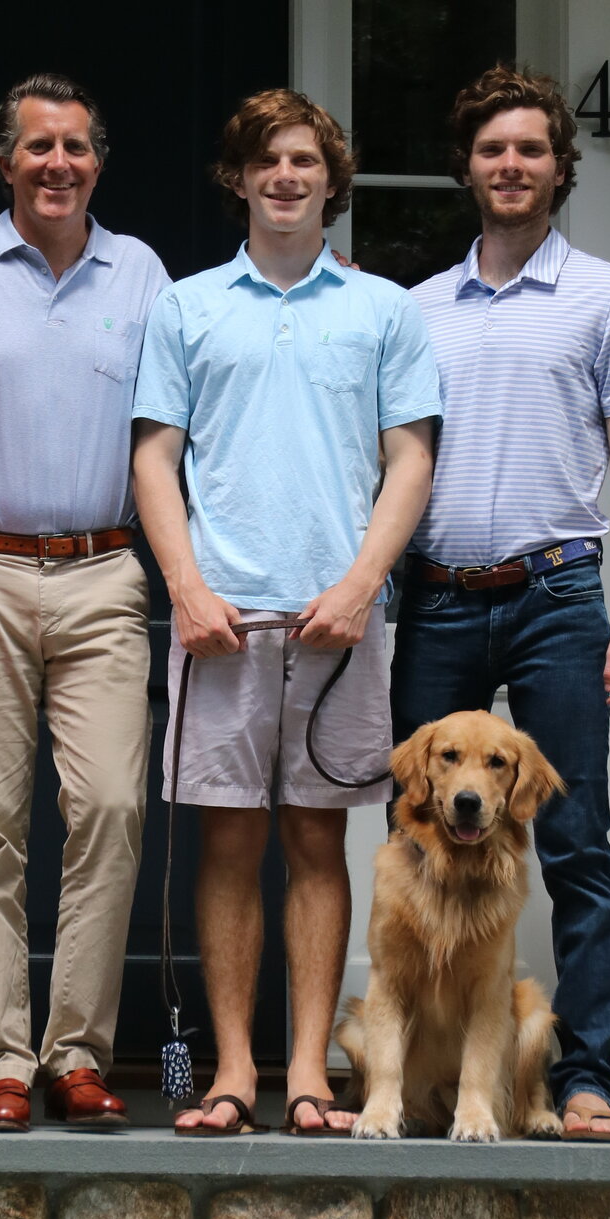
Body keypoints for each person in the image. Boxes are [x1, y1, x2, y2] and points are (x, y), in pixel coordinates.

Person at [132, 89, 441, 1137]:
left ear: (330, 179)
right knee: (224, 848)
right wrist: (185, 587)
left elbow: (412, 459)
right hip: (222, 618)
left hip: (340, 622)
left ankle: (309, 1071)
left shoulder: (384, 310)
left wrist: (361, 585)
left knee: (318, 843)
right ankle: (231, 1072)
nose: (286, 176)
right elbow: (153, 458)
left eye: (304, 160)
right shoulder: (185, 307)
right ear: (240, 178)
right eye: (266, 160)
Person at [391, 64, 610, 1144]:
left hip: (558, 594)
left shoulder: (608, 295)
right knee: (417, 834)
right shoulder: (416, 310)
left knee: (576, 842)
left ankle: (585, 1078)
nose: (512, 165)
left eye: (532, 150)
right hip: (440, 598)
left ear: (561, 167)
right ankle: (410, 1076)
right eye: (493, 149)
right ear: (468, 167)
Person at [0, 74, 171, 1133]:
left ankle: (77, 1051)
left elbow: (187, 403)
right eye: (38, 147)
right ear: (5, 164)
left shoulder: (142, 273)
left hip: (103, 572)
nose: (58, 165)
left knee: (114, 812)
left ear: (98, 162)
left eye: (76, 148)